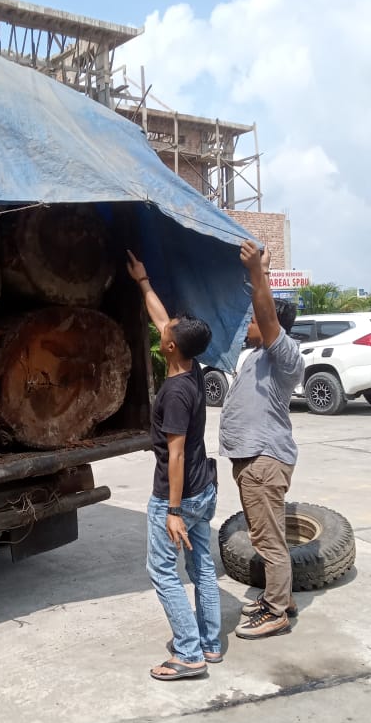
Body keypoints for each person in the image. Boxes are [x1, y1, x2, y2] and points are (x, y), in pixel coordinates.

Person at [126, 250, 221, 682]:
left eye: (167, 331)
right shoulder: (193, 366)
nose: (163, 328)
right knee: (201, 563)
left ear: (168, 347)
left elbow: (176, 454)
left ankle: (188, 653)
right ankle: (210, 643)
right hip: (205, 488)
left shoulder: (175, 393)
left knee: (162, 570)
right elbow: (163, 319)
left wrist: (174, 511)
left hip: (178, 495)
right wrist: (144, 282)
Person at [219, 240, 305, 639]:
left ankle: (275, 613)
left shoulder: (285, 355)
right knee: (264, 534)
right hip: (251, 460)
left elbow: (267, 314)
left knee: (268, 541)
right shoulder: (255, 355)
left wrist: (258, 273)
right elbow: (263, 314)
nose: (248, 323)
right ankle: (280, 597)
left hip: (264, 460)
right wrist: (261, 272)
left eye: (253, 319)